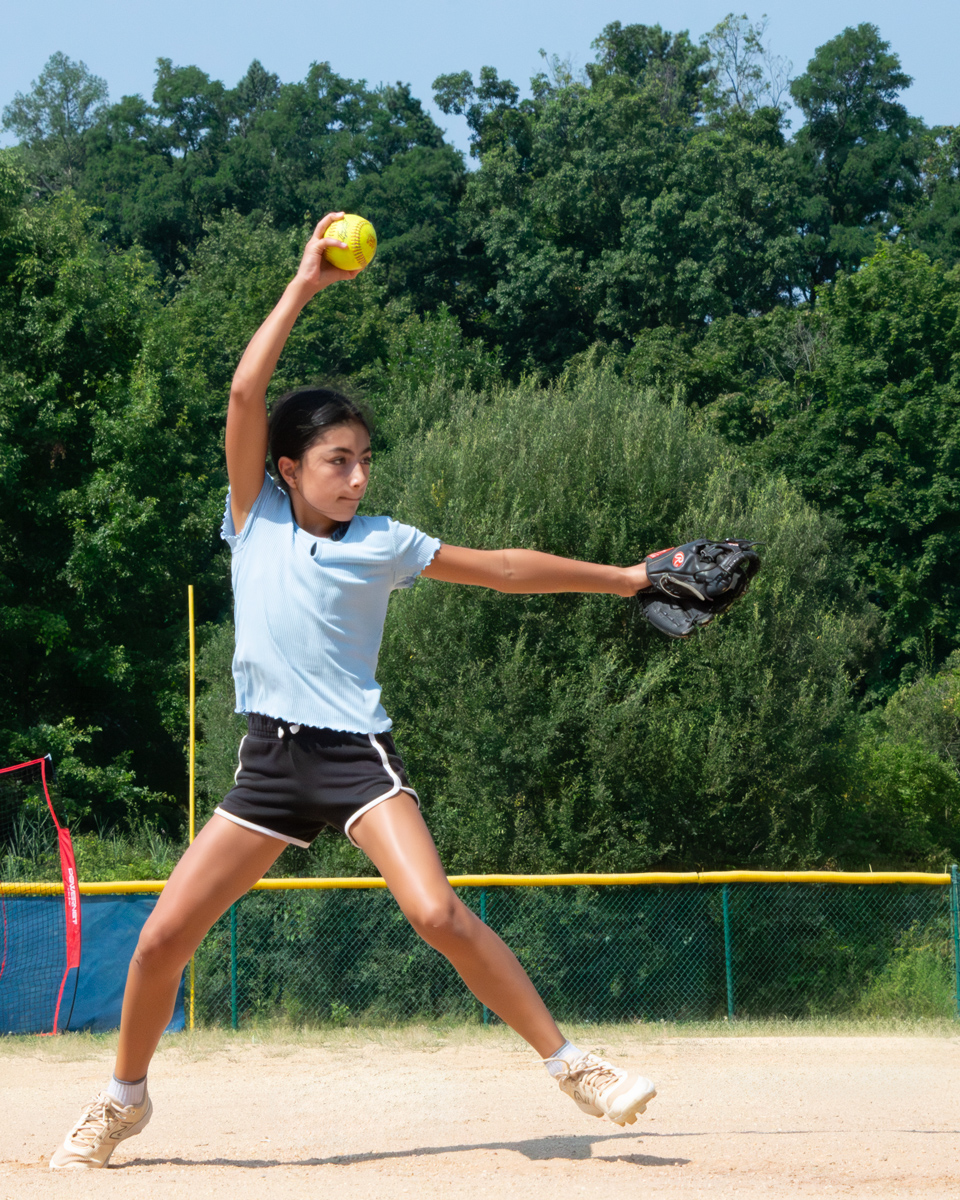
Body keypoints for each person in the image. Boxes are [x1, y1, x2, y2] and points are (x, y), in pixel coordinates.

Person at [50, 213, 657, 1171]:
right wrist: (302, 285)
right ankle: (122, 1103)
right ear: (287, 469)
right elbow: (248, 389)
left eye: (365, 458)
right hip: (269, 763)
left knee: (436, 915)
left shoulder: (383, 540)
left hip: (352, 756)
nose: (356, 474)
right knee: (163, 936)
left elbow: (501, 567)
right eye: (338, 459)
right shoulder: (252, 521)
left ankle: (572, 1064)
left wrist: (627, 578)